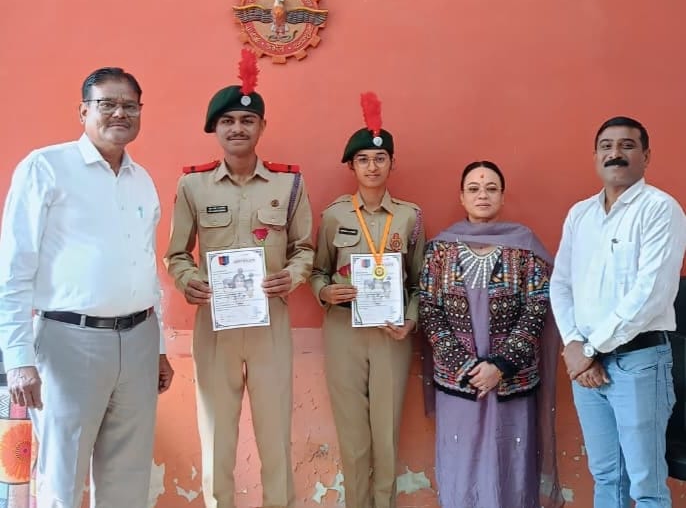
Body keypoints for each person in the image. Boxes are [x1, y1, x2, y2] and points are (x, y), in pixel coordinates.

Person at [0, 67, 173, 508]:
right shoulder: (46, 168)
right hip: (69, 342)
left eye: (129, 105)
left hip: (138, 341)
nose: (119, 113)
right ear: (83, 111)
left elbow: (145, 267)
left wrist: (158, 348)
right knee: (62, 477)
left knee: (128, 478)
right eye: (106, 104)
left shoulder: (142, 180)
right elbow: (13, 269)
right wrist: (18, 359)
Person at [164, 49, 314, 508]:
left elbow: (305, 248)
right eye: (227, 121)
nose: (237, 128)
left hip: (270, 323)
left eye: (247, 121)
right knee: (216, 437)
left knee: (275, 436)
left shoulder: (289, 184)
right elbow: (176, 254)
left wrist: (291, 276)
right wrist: (189, 281)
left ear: (262, 127)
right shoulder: (193, 185)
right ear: (215, 129)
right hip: (215, 325)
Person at [550, 116, 686, 508]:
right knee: (607, 477)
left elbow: (650, 294)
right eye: (606, 146)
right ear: (595, 156)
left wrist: (588, 349)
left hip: (638, 363)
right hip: (585, 368)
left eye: (627, 145)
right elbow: (561, 283)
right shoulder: (580, 215)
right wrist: (574, 344)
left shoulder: (660, 209)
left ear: (646, 156)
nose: (615, 154)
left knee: (646, 486)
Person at [419, 161, 563, 508]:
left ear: (502, 196)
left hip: (512, 381)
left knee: (509, 464)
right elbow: (429, 308)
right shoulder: (440, 249)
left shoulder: (525, 247)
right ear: (462, 197)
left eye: (491, 188)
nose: (482, 195)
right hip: (459, 383)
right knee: (462, 465)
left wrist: (500, 366)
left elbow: (537, 308)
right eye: (473, 189)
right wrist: (467, 367)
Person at [310, 93, 425, 508]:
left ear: (392, 163)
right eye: (362, 160)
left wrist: (411, 319)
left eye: (380, 159)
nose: (372, 167)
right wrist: (324, 292)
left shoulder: (410, 216)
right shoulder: (334, 216)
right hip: (344, 330)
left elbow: (419, 281)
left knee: (386, 437)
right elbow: (318, 270)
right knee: (354, 438)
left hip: (392, 334)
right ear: (352, 167)